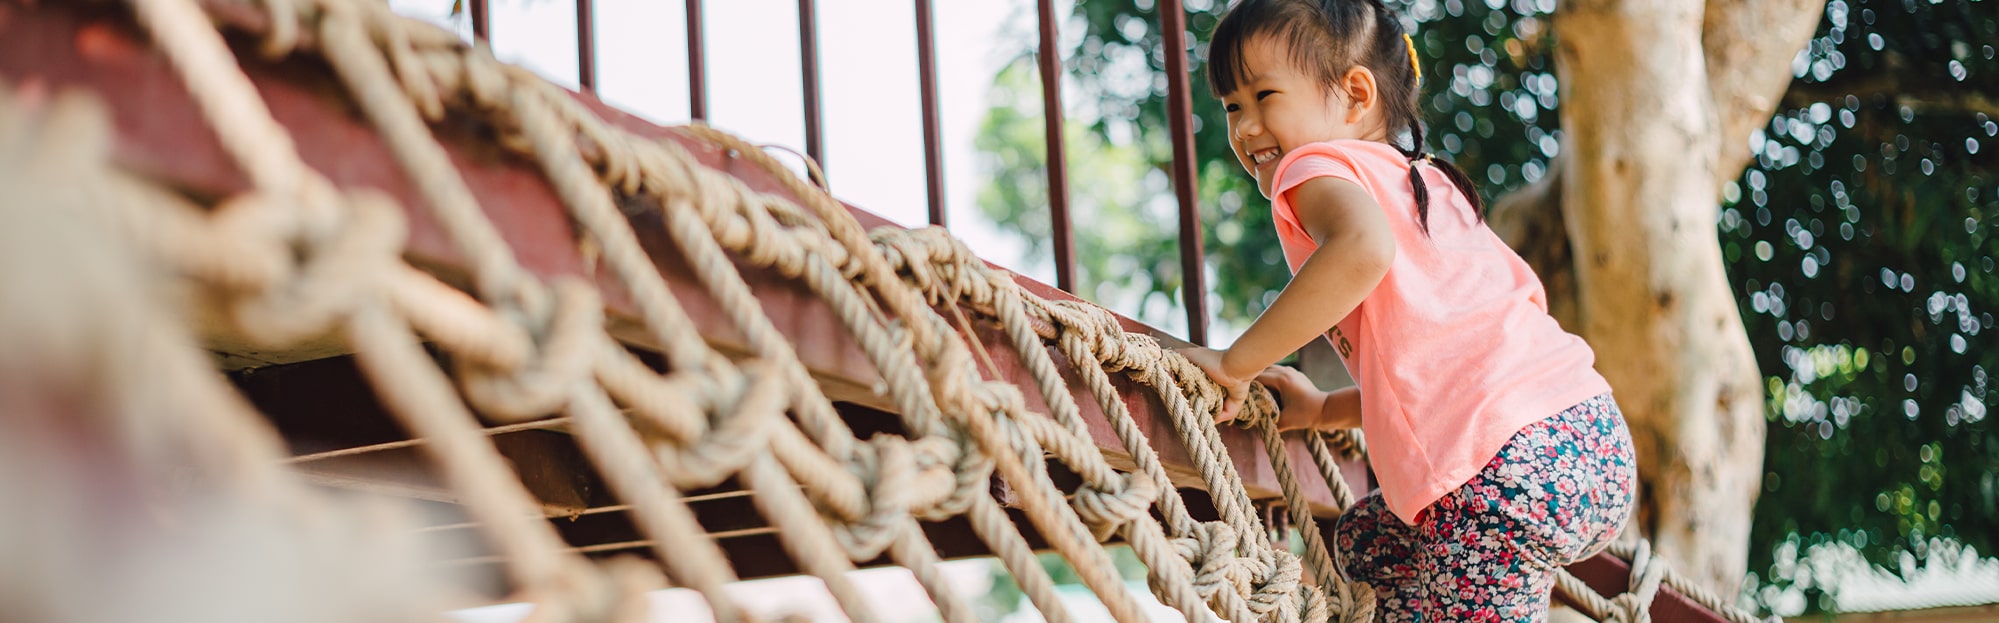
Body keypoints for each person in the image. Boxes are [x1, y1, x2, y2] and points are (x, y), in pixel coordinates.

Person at [1174, 0, 1638, 619]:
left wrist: (1236, 363)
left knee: (1435, 544)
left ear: (1354, 93)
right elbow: (1441, 375)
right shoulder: (1424, 180)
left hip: (1500, 476)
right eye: (1233, 106)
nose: (1246, 127)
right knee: (1369, 541)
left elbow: (1361, 250)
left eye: (1265, 96)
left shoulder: (1312, 165)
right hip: (1594, 446)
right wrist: (1321, 409)